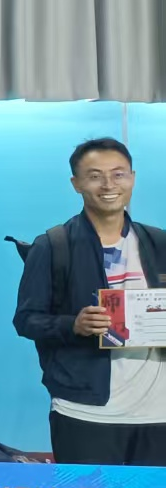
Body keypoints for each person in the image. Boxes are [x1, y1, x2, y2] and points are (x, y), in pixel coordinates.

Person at [14, 138, 166, 467]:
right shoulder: (53, 245)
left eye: (119, 174)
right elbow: (26, 320)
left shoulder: (159, 243)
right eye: (95, 176)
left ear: (133, 178)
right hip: (84, 411)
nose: (109, 185)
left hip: (158, 412)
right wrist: (74, 324)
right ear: (76, 184)